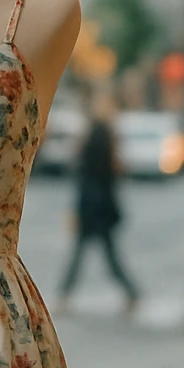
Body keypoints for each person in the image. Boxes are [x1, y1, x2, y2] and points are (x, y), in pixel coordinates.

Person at [58, 91, 140, 314]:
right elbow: (117, 169)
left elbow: (83, 168)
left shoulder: (94, 134)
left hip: (92, 204)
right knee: (104, 254)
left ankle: (65, 295)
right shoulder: (106, 134)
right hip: (102, 203)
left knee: (86, 253)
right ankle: (131, 293)